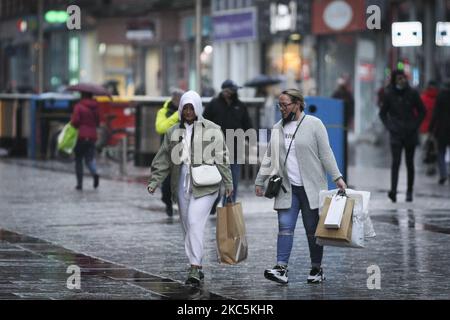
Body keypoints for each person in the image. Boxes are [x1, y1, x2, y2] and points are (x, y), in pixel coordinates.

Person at [255, 88, 347, 284]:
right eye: (279, 105)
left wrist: (337, 177)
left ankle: (316, 269)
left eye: (285, 105)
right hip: (287, 188)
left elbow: (326, 153)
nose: (281, 109)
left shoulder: (314, 124)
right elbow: (270, 157)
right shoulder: (278, 128)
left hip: (311, 189)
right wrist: (259, 180)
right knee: (284, 228)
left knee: (313, 230)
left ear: (297, 104)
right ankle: (281, 268)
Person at [147, 90, 233, 285]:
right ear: (180, 109)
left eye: (191, 107)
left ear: (198, 108)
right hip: (182, 182)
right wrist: (155, 181)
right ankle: (196, 263)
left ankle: (195, 267)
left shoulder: (212, 129)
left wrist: (228, 182)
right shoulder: (172, 132)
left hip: (206, 184)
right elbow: (163, 159)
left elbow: (222, 156)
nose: (188, 111)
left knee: (194, 221)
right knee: (187, 226)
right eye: (185, 107)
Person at [203, 79, 253, 209]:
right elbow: (204, 122)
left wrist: (252, 139)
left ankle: (228, 208)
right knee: (215, 181)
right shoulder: (213, 104)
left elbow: (247, 124)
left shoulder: (240, 106)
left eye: (232, 90)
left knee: (233, 182)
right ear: (223, 90)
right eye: (228, 90)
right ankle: (213, 203)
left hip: (235, 149)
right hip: (215, 149)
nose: (230, 93)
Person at [379, 70, 426, 202]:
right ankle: (393, 191)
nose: (402, 81)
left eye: (403, 78)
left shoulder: (412, 93)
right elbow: (382, 114)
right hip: (396, 134)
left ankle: (409, 191)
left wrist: (414, 125)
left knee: (409, 163)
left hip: (410, 134)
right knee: (396, 163)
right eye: (399, 78)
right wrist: (390, 127)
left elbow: (422, 111)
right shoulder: (389, 94)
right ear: (395, 80)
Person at [155, 88, 185, 216]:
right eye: (176, 98)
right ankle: (167, 202)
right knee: (167, 182)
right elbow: (161, 128)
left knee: (183, 181)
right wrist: (176, 116)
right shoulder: (164, 111)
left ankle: (182, 205)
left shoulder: (188, 111)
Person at [71, 92, 100, 190]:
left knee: (78, 160)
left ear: (82, 95)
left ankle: (79, 184)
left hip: (81, 136)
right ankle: (95, 173)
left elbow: (75, 121)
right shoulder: (96, 107)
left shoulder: (78, 106)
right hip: (92, 136)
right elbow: (98, 121)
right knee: (89, 159)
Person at [429, 81, 450, 185]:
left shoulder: (440, 96)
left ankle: (443, 174)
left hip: (442, 130)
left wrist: (431, 128)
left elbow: (435, 114)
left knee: (441, 152)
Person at [420, 80, 439, 176]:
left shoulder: (422, 98)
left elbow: (417, 112)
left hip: (424, 127)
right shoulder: (439, 98)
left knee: (426, 147)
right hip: (436, 128)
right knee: (435, 148)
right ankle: (433, 166)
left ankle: (428, 166)